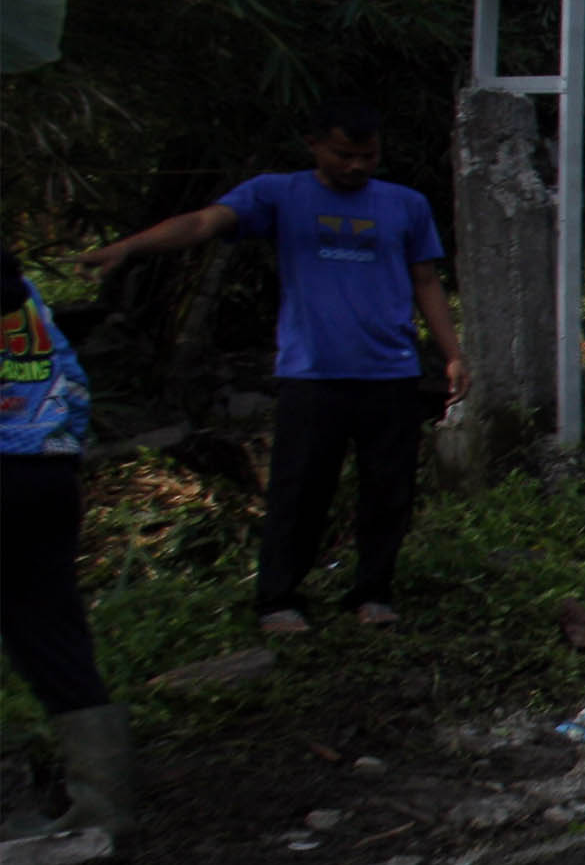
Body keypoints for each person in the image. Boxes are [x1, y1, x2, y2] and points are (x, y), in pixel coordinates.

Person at [80, 100, 467, 635]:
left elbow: (425, 280)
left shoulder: (406, 204)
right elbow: (201, 222)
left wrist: (452, 353)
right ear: (314, 145)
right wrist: (129, 248)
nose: (357, 166)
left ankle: (373, 592)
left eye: (368, 155)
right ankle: (278, 599)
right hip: (312, 374)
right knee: (300, 487)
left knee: (388, 489)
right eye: (344, 154)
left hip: (390, 373)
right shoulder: (277, 194)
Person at [0, 242, 126, 865]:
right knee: (50, 631)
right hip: (44, 478)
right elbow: (73, 383)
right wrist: (62, 456)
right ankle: (101, 806)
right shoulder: (26, 306)